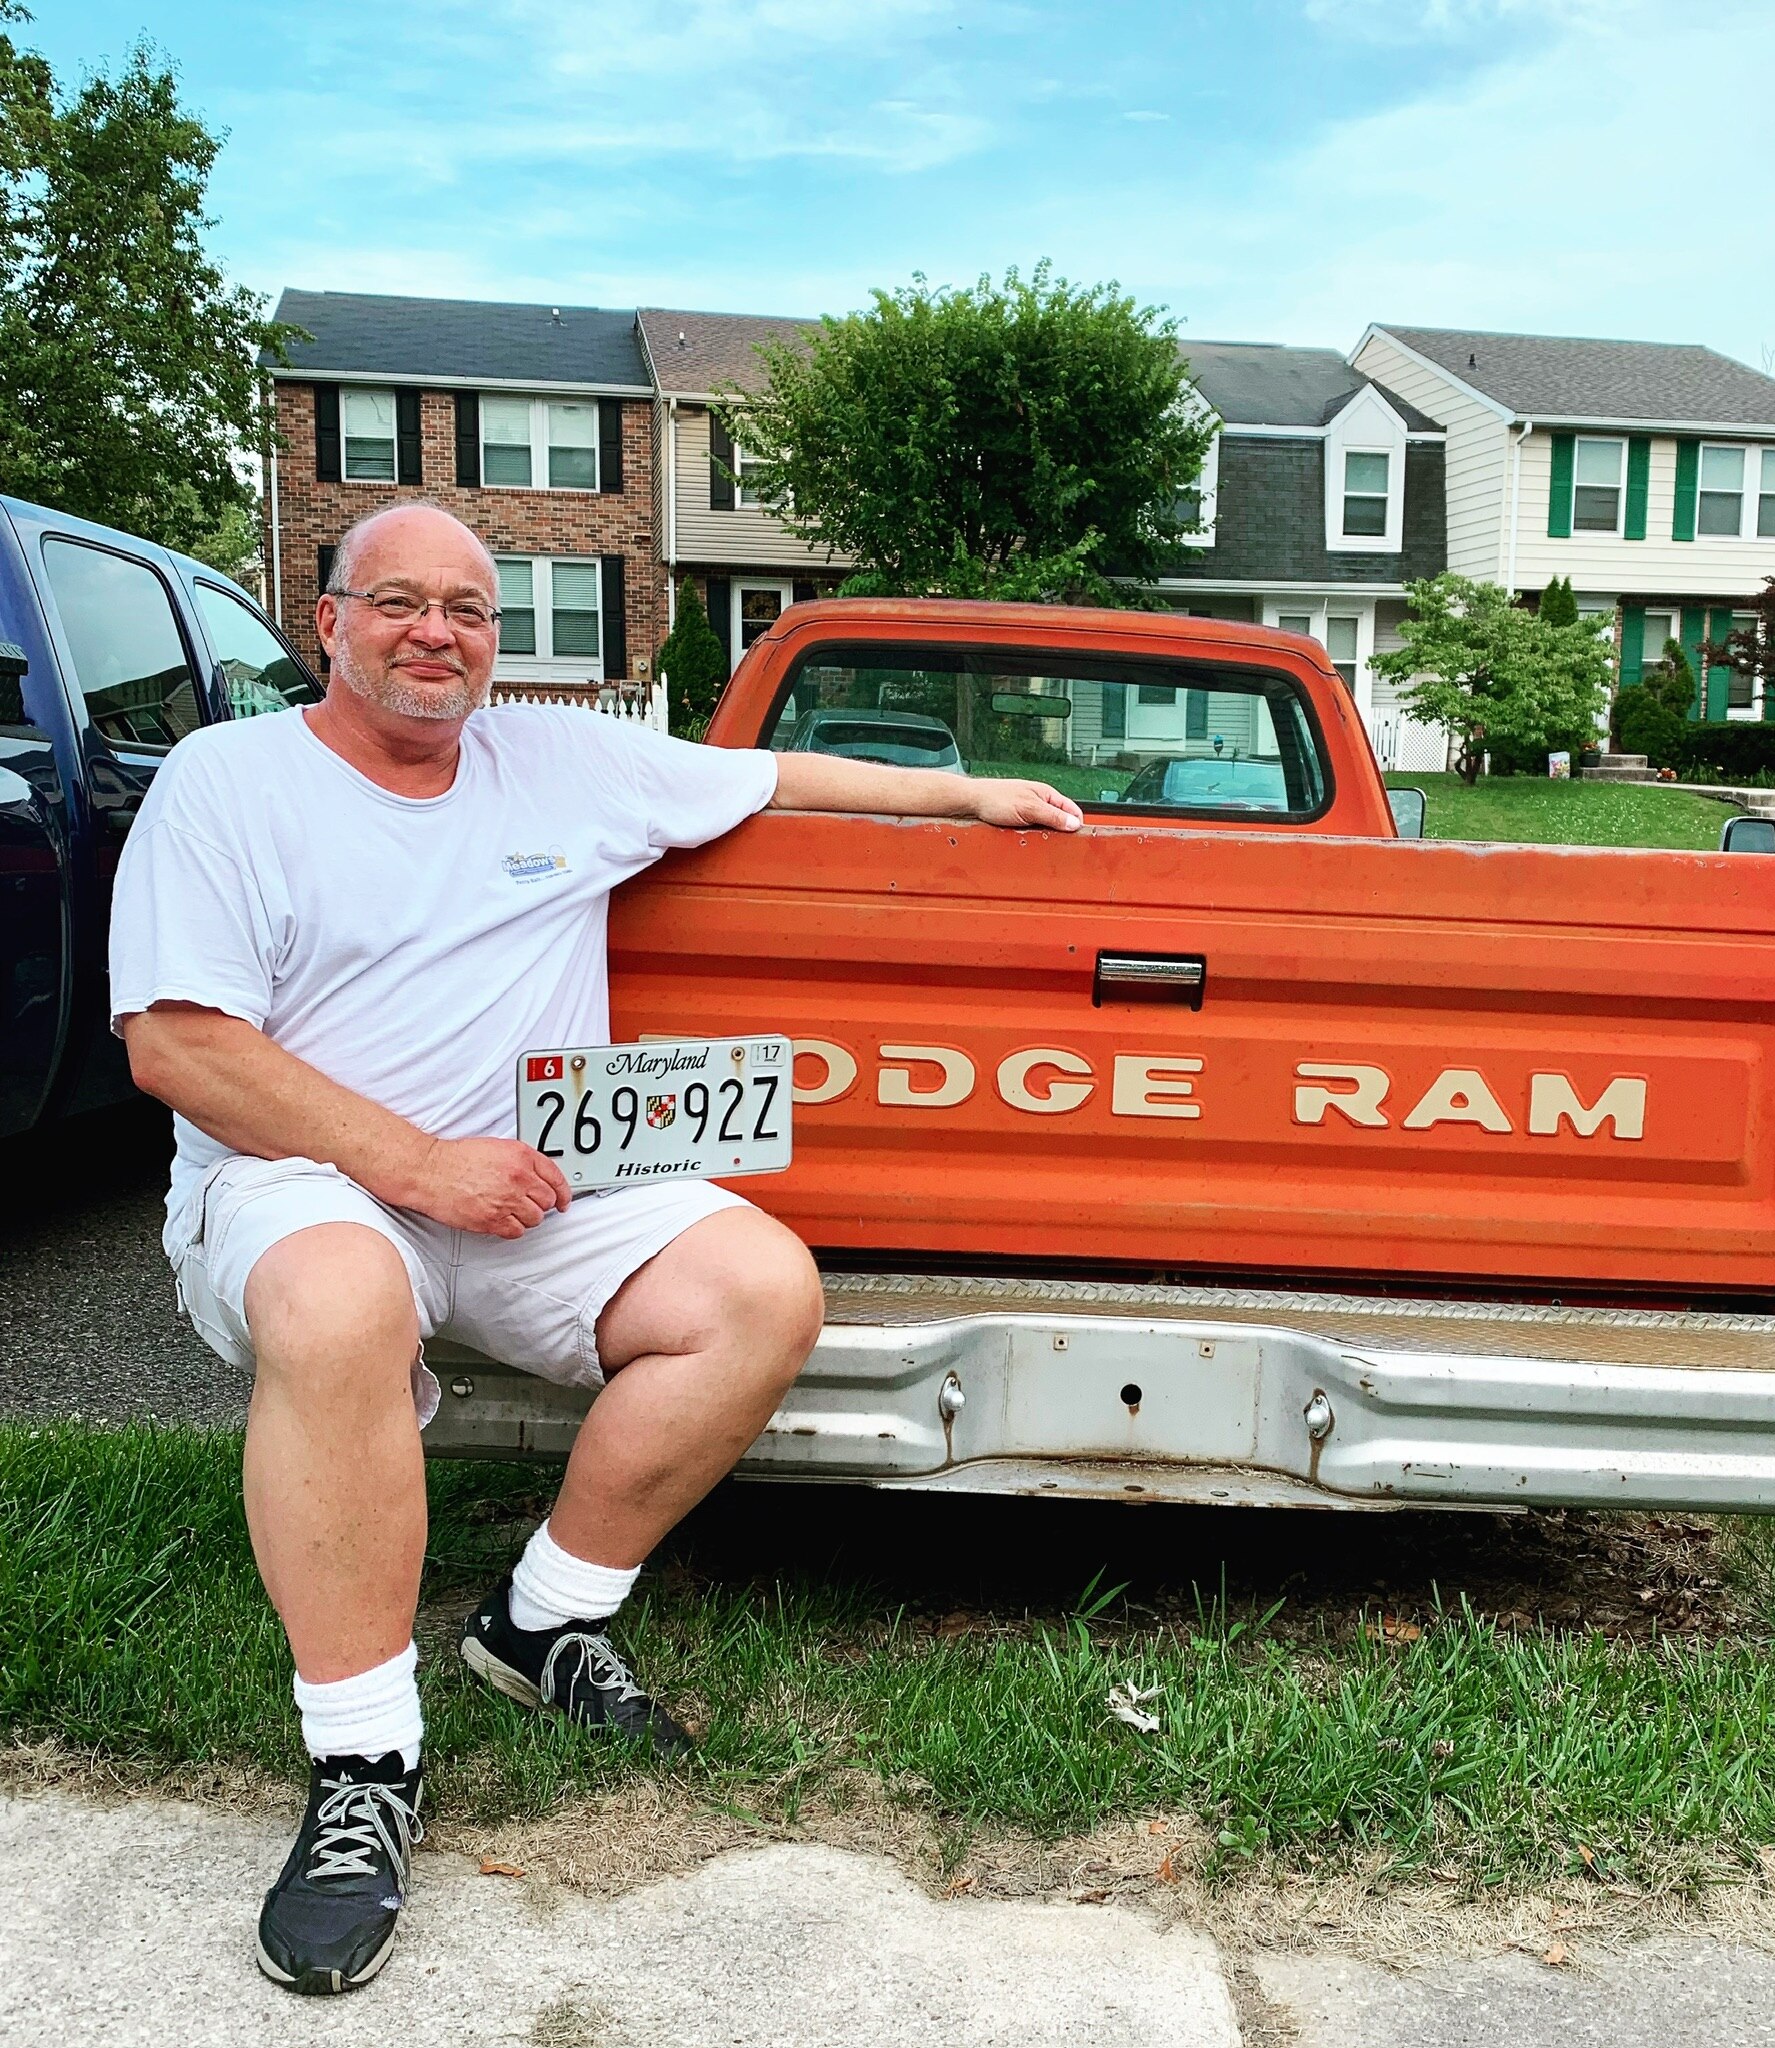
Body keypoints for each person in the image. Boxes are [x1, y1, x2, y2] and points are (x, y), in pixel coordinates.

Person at [109, 502, 1082, 1996]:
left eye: (469, 610)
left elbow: (774, 771)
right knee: (338, 1297)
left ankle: (542, 1620)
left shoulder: (566, 759)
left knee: (759, 1290)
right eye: (398, 602)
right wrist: (416, 1166)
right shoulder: (226, 782)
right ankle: (364, 1763)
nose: (436, 633)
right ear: (329, 621)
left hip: (527, 1183)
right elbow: (178, 1045)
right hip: (303, 1184)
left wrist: (968, 796)